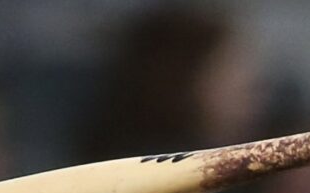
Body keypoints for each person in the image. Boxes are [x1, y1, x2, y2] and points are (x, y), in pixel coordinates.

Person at [70, 4, 263, 165]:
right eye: (241, 86)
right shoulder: (148, 177)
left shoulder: (246, 187)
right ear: (184, 84)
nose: (256, 101)